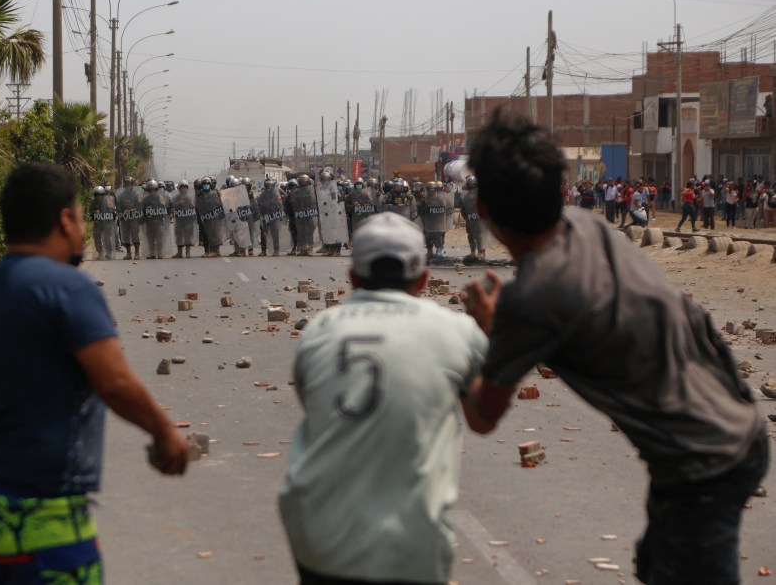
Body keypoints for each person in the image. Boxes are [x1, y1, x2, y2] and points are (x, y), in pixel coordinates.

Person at [460, 111, 767, 585]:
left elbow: (482, 416)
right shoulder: (589, 228)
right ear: (561, 192)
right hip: (732, 427)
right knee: (658, 563)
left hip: (702, 461)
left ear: (481, 209)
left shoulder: (533, 298)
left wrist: (474, 338)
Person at [0, 163, 189, 584]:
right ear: (66, 219)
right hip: (43, 511)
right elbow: (114, 382)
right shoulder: (67, 288)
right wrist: (165, 433)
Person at [279, 212, 488, 585]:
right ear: (423, 279)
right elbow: (483, 416)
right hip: (411, 542)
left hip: (317, 532)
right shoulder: (454, 329)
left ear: (354, 278)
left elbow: (314, 401)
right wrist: (490, 337)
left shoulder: (318, 331)